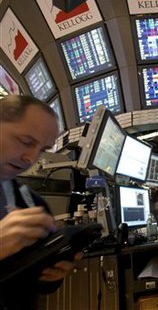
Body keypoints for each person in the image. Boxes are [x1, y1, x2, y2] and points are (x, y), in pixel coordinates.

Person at [0, 95, 81, 310]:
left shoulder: (31, 202)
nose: (31, 158)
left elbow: (31, 285)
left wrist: (50, 276)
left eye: (42, 150)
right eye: (26, 142)